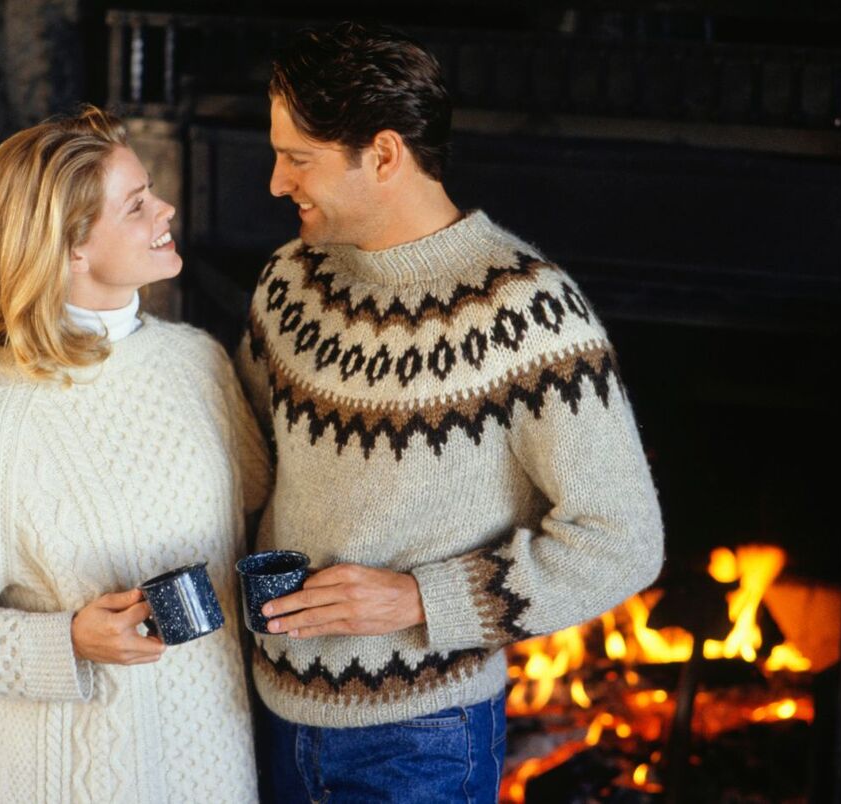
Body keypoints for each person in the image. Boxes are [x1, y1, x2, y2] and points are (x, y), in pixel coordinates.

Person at [235, 22, 665, 802]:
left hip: (422, 744)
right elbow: (245, 466)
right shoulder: (290, 282)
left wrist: (421, 600)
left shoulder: (530, 315)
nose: (275, 181)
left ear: (385, 154)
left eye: (298, 158)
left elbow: (624, 539)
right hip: (262, 709)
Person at [0, 105, 268, 803]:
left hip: (214, 764)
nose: (166, 208)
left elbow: (257, 514)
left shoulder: (196, 362)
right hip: (75, 782)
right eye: (138, 204)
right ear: (72, 244)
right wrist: (68, 642)